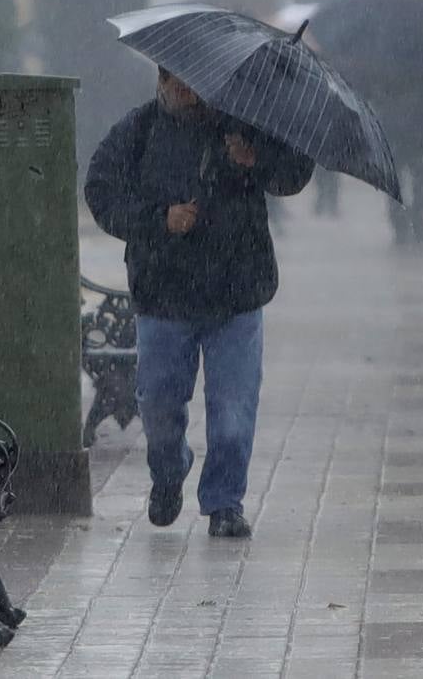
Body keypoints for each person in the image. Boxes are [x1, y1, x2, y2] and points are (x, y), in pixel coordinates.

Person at [84, 66, 313, 536]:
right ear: (162, 83)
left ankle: (225, 503)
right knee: (159, 406)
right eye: (178, 84)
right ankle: (168, 475)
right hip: (164, 295)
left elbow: (294, 174)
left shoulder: (244, 124)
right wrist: (159, 220)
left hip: (236, 292)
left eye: (197, 84)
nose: (189, 93)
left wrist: (256, 160)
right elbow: (102, 191)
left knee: (233, 411)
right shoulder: (139, 129)